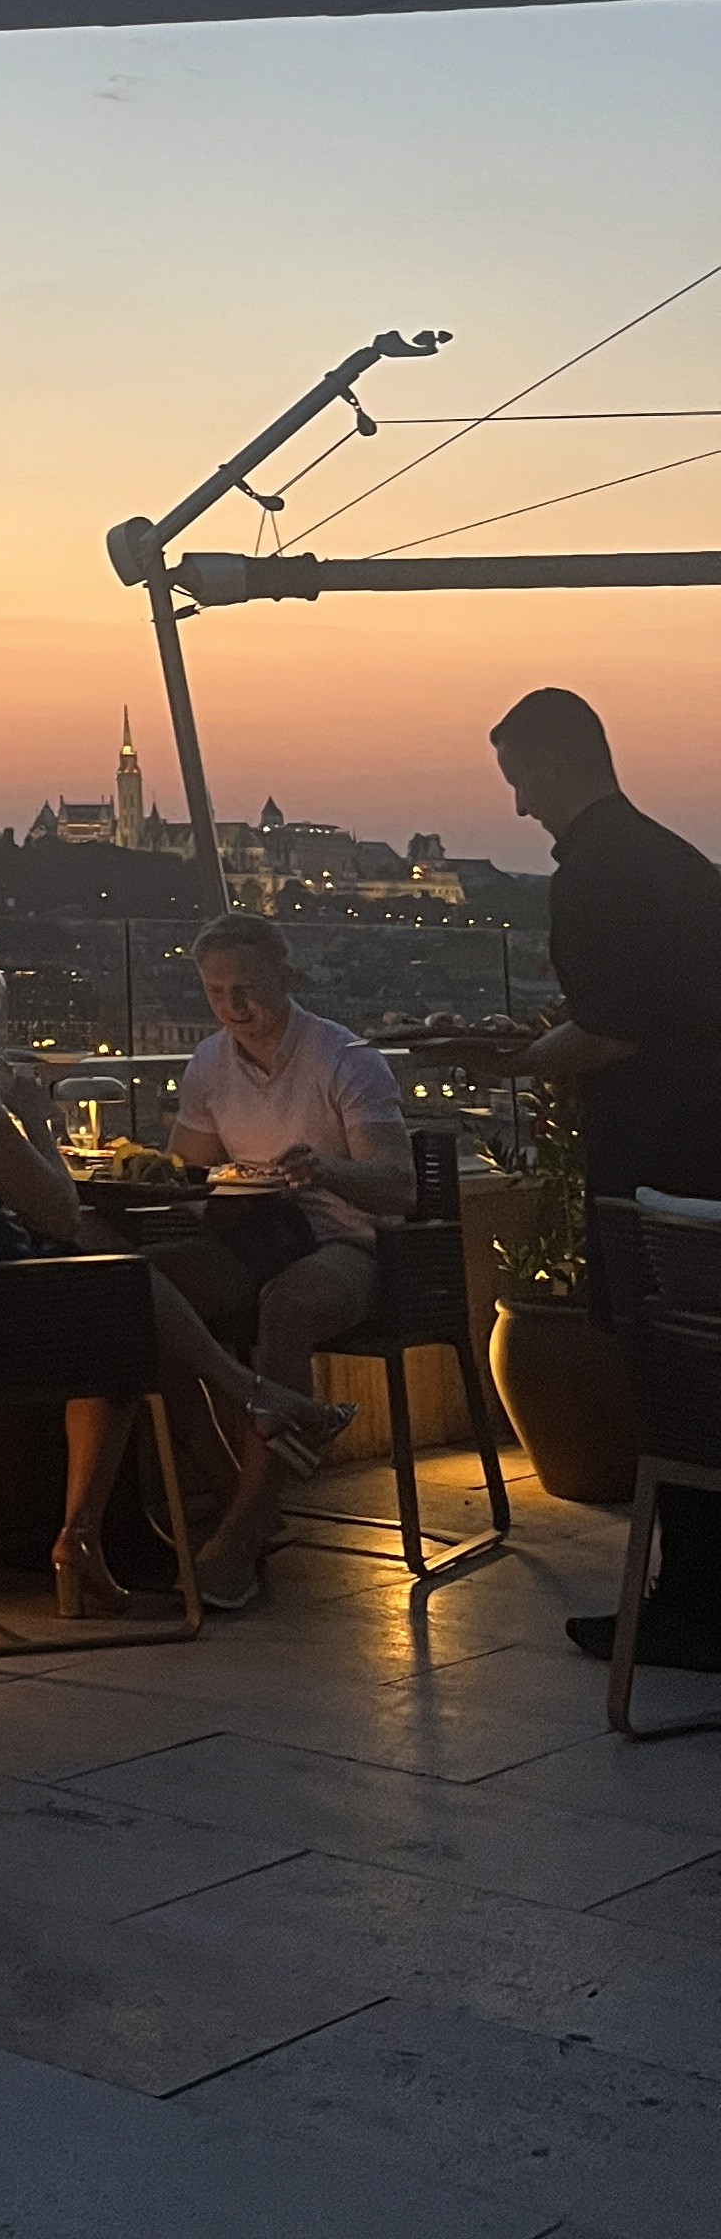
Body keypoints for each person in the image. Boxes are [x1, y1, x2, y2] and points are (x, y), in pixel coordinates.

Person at [0, 920, 350, 1617]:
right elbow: (57, 1211)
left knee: (114, 1270)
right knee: (119, 1301)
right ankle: (85, 1536)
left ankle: (247, 1430)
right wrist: (33, 1121)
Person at [492, 685, 721, 1668]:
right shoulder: (677, 861)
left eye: (520, 782)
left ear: (552, 763)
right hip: (706, 1159)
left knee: (664, 1385)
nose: (517, 807)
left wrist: (511, 1061)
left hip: (651, 1167)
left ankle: (688, 1609)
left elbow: (617, 1028)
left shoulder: (591, 874)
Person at [170, 917, 415, 1608]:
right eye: (217, 992)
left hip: (346, 1242)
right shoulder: (209, 1064)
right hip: (252, 1237)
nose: (232, 1008)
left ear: (287, 977)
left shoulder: (344, 1058)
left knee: (288, 1303)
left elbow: (398, 1185)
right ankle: (238, 1496)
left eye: (245, 989)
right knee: (142, 1291)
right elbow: (185, 1172)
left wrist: (327, 1170)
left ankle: (244, 1532)